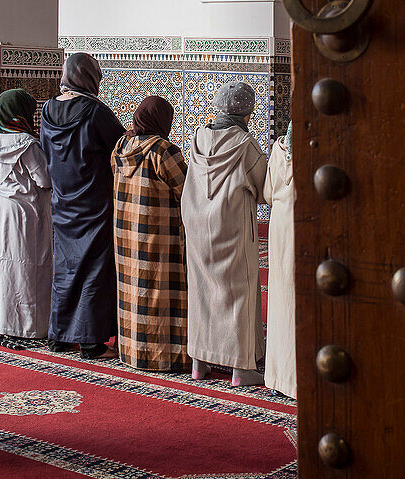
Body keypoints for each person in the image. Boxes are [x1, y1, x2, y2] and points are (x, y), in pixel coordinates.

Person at [182, 81, 269, 386]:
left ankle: (199, 362)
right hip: (231, 228)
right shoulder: (246, 146)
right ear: (247, 112)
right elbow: (265, 191)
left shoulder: (198, 137)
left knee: (202, 292)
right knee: (237, 295)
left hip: (196, 226)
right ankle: (241, 369)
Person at [41, 52, 125, 358]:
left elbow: (47, 149)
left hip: (63, 200)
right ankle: (90, 340)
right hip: (94, 203)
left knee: (65, 267)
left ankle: (59, 335)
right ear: (90, 77)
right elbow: (121, 145)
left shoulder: (49, 108)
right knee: (94, 269)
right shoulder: (95, 111)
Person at [111, 96, 189, 371]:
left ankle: (132, 352)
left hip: (126, 235)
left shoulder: (121, 147)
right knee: (159, 292)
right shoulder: (163, 151)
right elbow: (187, 191)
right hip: (159, 237)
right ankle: (164, 357)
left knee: (133, 292)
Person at [0, 88, 53, 347]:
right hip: (25, 213)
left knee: (4, 264)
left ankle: (3, 318)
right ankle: (29, 326)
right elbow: (44, 180)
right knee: (28, 266)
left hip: (0, 210)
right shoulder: (26, 144)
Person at [262, 122, 296, 398]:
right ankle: (296, 381)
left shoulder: (279, 148)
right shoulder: (319, 152)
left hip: (280, 227)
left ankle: (276, 378)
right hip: (303, 227)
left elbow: (267, 194)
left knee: (281, 301)